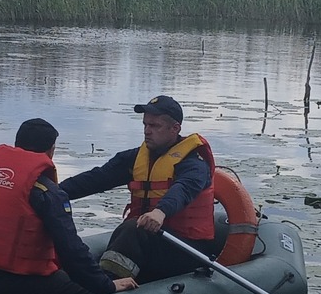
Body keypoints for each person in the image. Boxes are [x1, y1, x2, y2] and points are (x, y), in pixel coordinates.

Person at [0, 118, 138, 294]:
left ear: (17, 143)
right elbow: (71, 250)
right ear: (51, 150)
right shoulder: (46, 191)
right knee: (92, 293)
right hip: (11, 283)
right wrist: (107, 286)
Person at [59, 94, 226, 283]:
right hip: (150, 242)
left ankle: (104, 287)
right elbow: (97, 178)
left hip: (185, 248)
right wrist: (54, 193)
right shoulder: (137, 157)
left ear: (175, 129)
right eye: (145, 125)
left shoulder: (194, 163)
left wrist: (160, 211)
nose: (147, 131)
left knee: (132, 230)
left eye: (155, 126)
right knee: (129, 231)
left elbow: (184, 189)